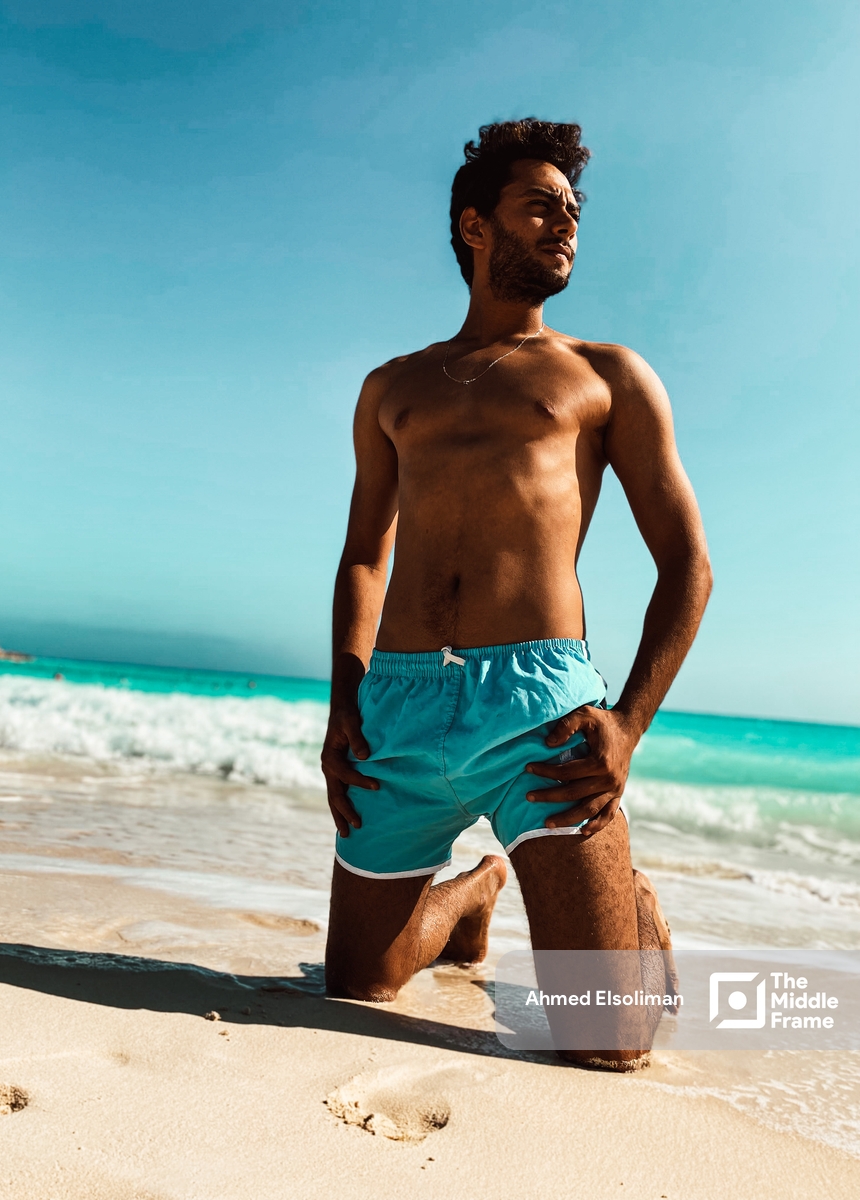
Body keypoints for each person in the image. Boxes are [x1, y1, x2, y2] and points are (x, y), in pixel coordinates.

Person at [321, 119, 712, 1069]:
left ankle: (630, 900)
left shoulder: (604, 375)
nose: (564, 225)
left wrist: (626, 724)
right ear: (474, 227)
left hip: (539, 703)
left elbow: (686, 564)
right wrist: (345, 703)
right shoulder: (391, 387)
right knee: (356, 992)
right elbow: (366, 554)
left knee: (608, 1044)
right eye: (540, 205)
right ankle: (471, 890)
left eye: (573, 211)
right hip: (399, 705)